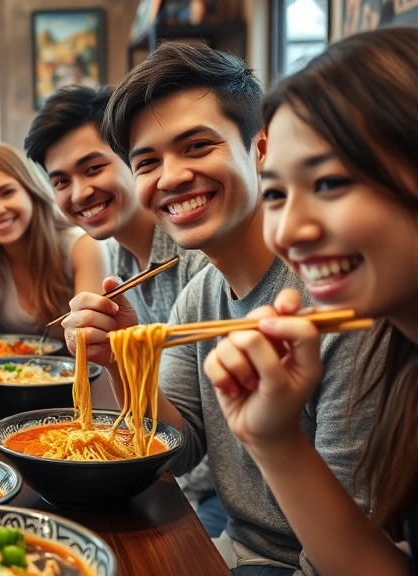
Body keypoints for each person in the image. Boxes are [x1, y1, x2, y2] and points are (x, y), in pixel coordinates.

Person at [63, 42, 373, 575]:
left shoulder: (336, 300)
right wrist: (117, 360)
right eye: (147, 162)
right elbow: (178, 449)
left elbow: (361, 538)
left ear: (261, 148)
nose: (172, 177)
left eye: (198, 146)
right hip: (235, 545)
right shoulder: (201, 294)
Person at [202, 28, 418, 576]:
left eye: (328, 183)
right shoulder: (402, 357)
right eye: (275, 193)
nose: (289, 230)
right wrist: (270, 438)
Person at [25, 83, 218, 524]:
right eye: (61, 181)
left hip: (201, 492)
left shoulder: (198, 258)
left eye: (93, 168)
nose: (79, 193)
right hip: (162, 467)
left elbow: (189, 444)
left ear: (135, 162)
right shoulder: (114, 257)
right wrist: (114, 358)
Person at [0, 143, 108, 342]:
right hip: (7, 371)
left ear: (31, 190)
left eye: (7, 192)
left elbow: (92, 340)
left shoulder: (82, 246)